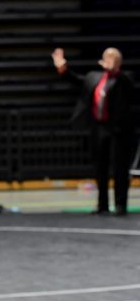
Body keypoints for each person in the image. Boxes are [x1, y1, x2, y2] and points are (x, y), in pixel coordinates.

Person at [52, 47, 135, 216]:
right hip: (99, 127)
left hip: (118, 130)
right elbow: (76, 80)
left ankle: (120, 204)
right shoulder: (94, 77)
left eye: (113, 58)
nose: (109, 60)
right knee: (100, 167)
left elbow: (128, 87)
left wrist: (115, 71)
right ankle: (102, 204)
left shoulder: (124, 78)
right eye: (107, 57)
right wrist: (63, 68)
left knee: (119, 168)